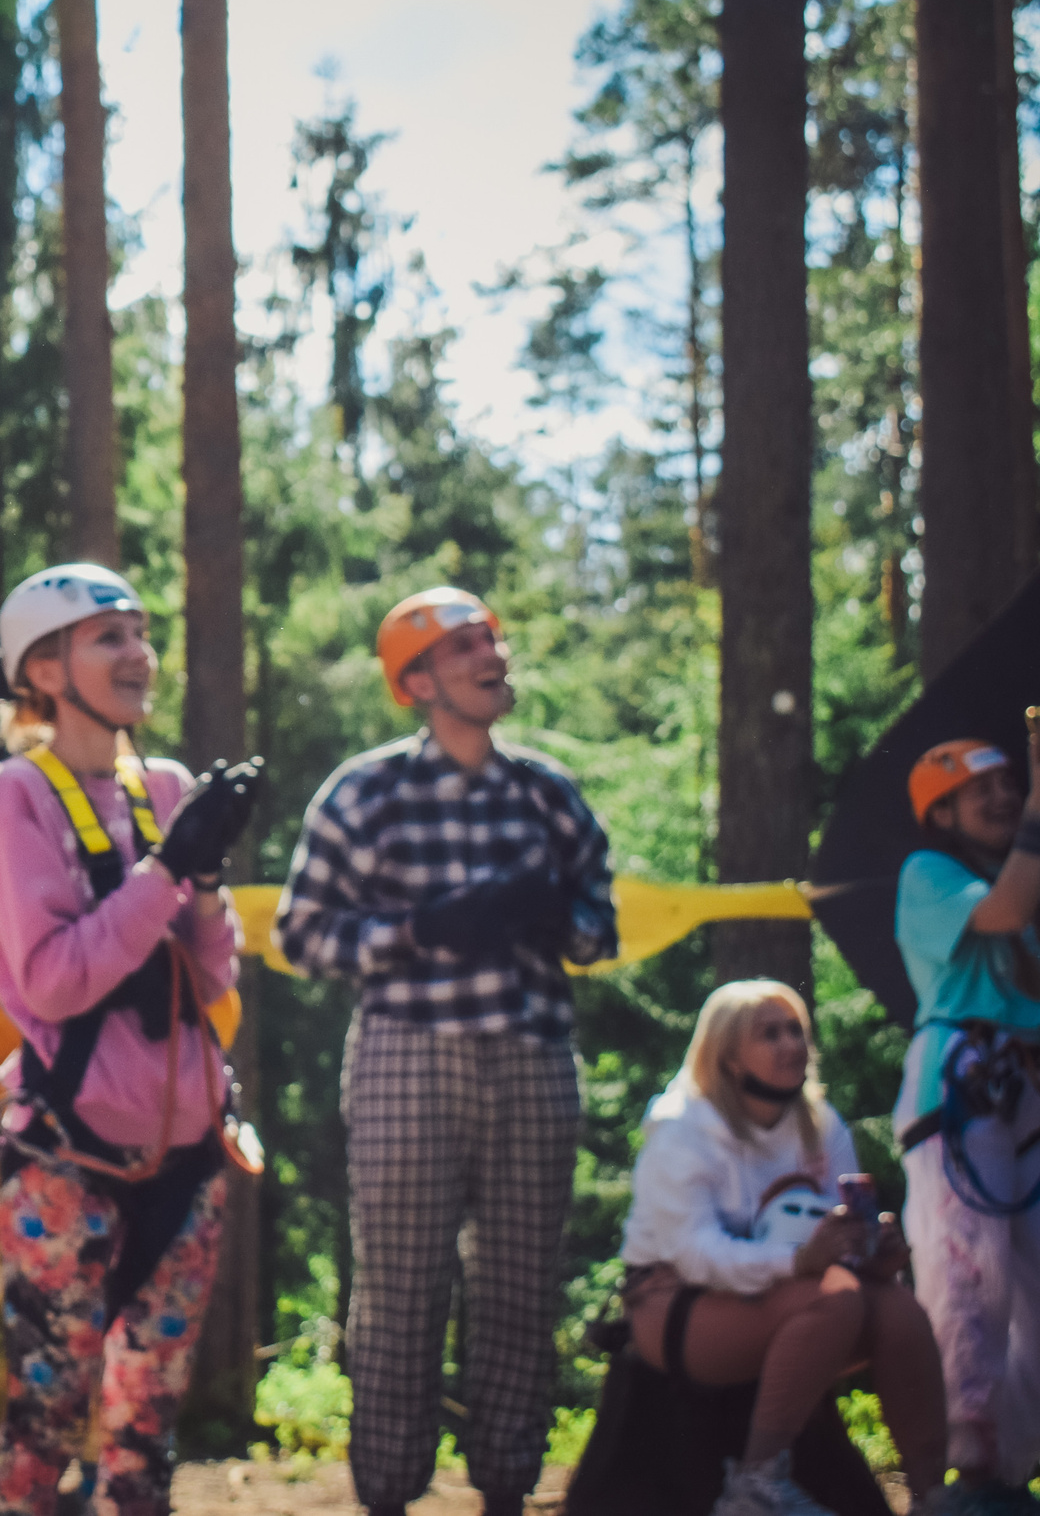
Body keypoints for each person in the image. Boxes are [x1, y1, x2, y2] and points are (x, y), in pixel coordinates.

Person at [275, 587, 617, 1516]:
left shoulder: (547, 790)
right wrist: (420, 930)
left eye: (492, 639)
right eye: (466, 645)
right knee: (399, 1286)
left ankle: (506, 1486)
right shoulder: (364, 791)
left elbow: (601, 928)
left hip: (533, 1054)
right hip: (403, 1057)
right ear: (417, 680)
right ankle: (387, 1493)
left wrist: (561, 919)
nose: (491, 655)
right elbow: (301, 936)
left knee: (520, 1282)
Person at [0, 563, 261, 1516]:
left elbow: (212, 976)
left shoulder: (165, 786)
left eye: (141, 633)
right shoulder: (15, 797)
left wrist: (202, 882)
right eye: (109, 637)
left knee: (144, 1433)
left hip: (187, 1156)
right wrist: (167, 867)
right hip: (65, 1152)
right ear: (44, 670)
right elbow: (54, 978)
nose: (139, 653)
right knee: (43, 1419)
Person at [619, 980, 946, 1516]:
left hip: (788, 1292)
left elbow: (835, 1241)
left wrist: (871, 1252)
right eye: (769, 1034)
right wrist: (797, 1262)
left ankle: (933, 1494)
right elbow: (694, 1253)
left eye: (795, 1030)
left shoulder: (819, 1123)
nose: (791, 1044)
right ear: (726, 1058)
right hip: (675, 1303)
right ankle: (755, 1487)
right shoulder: (682, 1129)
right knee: (834, 1298)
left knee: (897, 1307)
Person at [894, 729, 1040, 1500]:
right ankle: (968, 1453)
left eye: (1010, 785)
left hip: (1028, 1081)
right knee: (966, 1267)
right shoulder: (929, 873)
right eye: (979, 790)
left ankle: (1016, 1460)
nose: (1004, 797)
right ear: (940, 813)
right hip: (960, 1079)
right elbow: (1005, 909)